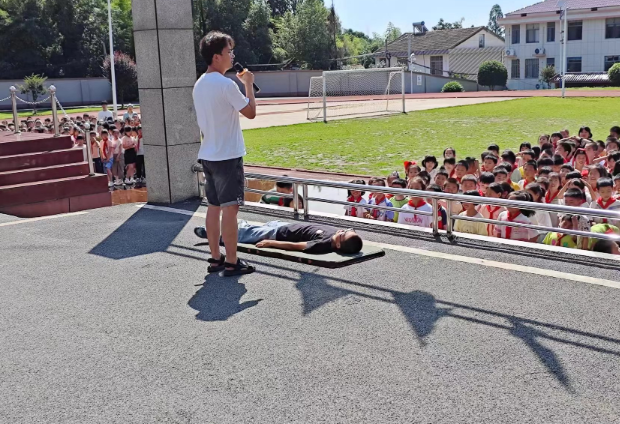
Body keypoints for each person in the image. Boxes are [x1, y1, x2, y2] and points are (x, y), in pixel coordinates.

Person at [193, 31, 257, 276]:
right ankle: (232, 260)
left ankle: (216, 258)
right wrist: (248, 84)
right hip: (228, 155)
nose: (232, 56)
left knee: (213, 207)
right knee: (230, 210)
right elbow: (250, 111)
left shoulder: (200, 84)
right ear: (217, 56)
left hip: (208, 153)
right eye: (229, 51)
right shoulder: (226, 84)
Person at [194, 221, 363, 256]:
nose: (342, 230)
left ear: (339, 245)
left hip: (278, 234)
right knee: (247, 227)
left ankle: (213, 235)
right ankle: (232, 226)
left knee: (246, 234)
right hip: (283, 225)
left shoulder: (324, 244)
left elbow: (296, 246)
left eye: (343, 233)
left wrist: (271, 243)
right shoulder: (337, 237)